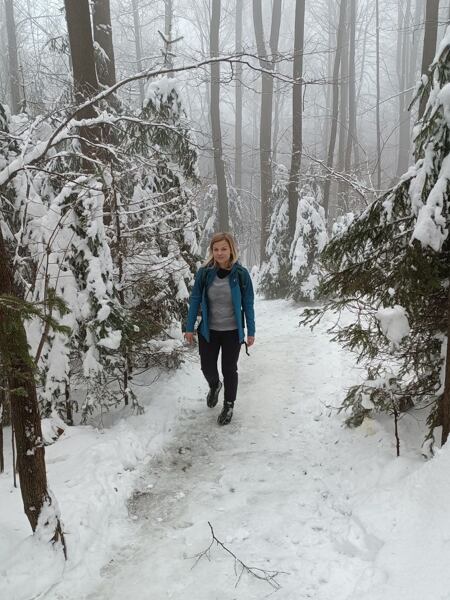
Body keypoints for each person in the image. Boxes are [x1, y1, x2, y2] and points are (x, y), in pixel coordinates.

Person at [184, 232, 255, 425]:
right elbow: (195, 300)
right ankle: (215, 385)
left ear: (231, 249)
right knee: (207, 366)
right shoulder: (204, 273)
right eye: (216, 249)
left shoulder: (241, 274)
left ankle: (229, 405)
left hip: (232, 332)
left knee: (229, 368)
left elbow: (248, 303)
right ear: (211, 251)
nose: (220, 253)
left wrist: (251, 331)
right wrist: (189, 327)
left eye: (224, 249)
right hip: (209, 330)